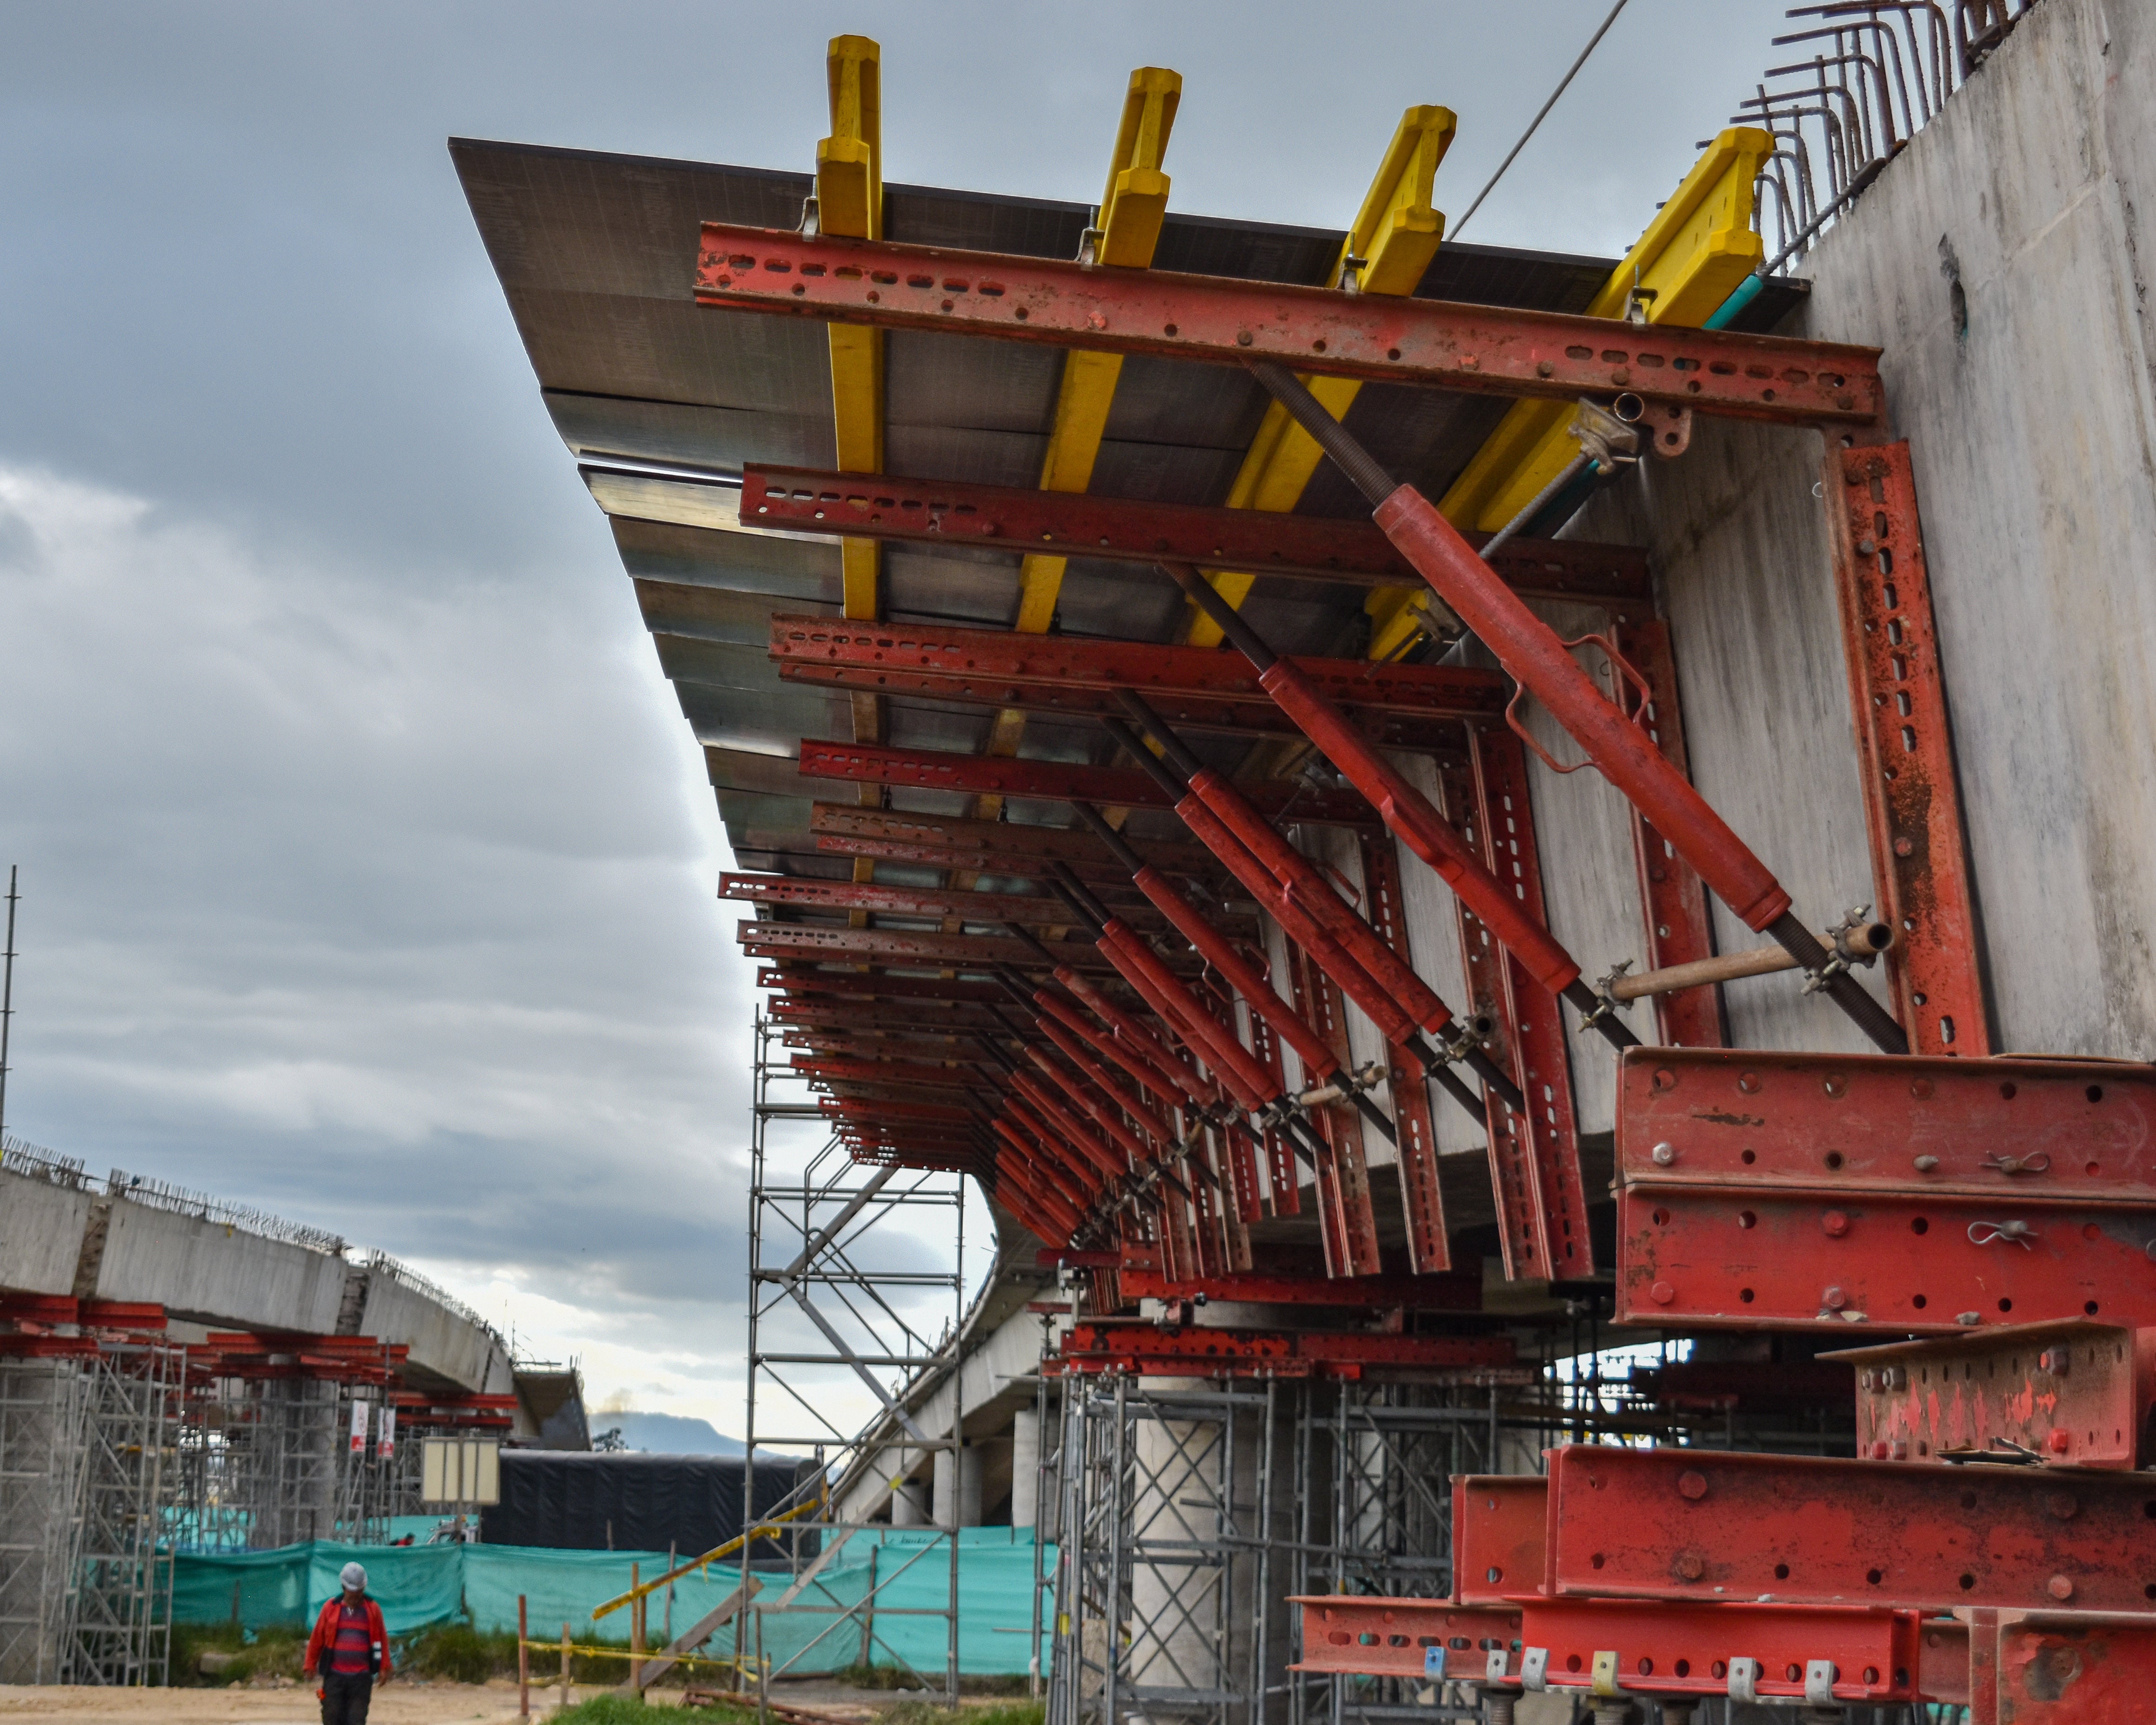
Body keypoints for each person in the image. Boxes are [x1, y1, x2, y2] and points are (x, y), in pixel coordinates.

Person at [303, 1561, 391, 1725]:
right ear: (344, 1588)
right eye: (352, 1593)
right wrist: (310, 1664)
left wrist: (384, 1667)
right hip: (334, 1678)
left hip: (361, 1679)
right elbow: (317, 1639)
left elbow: (382, 1640)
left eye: (359, 1592)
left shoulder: (373, 1610)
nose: (356, 1597)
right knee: (332, 1718)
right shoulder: (330, 1608)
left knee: (356, 1721)